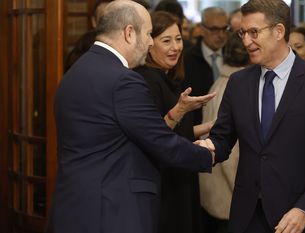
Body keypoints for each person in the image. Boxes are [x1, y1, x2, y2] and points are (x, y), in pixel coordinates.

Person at [47, 1, 214, 233]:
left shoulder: (76, 70)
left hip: (74, 208)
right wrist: (207, 155)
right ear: (128, 33)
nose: (149, 42)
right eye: (147, 34)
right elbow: (160, 141)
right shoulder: (123, 81)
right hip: (112, 212)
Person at [199, 0, 305, 232]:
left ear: (279, 31)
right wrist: (203, 149)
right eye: (243, 33)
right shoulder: (238, 83)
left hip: (300, 218)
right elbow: (222, 138)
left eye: (254, 32)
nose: (246, 41)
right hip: (248, 216)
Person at [133, 11, 215, 233]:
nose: (176, 47)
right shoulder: (146, 79)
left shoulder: (169, 77)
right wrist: (180, 110)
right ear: (149, 44)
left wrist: (209, 127)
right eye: (166, 41)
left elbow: (180, 134)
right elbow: (154, 137)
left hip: (179, 175)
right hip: (164, 181)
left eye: (178, 39)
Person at [199, 32, 249, 233]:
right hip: (228, 197)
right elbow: (231, 155)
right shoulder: (237, 88)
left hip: (216, 192)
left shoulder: (221, 82)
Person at [64, 0, 151, 72]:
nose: (109, 22)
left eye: (113, 18)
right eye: (104, 19)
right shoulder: (87, 48)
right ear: (94, 21)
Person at [183, 7, 229, 126]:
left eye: (225, 29)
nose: (221, 35)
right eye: (214, 29)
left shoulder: (233, 58)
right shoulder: (186, 60)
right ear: (202, 30)